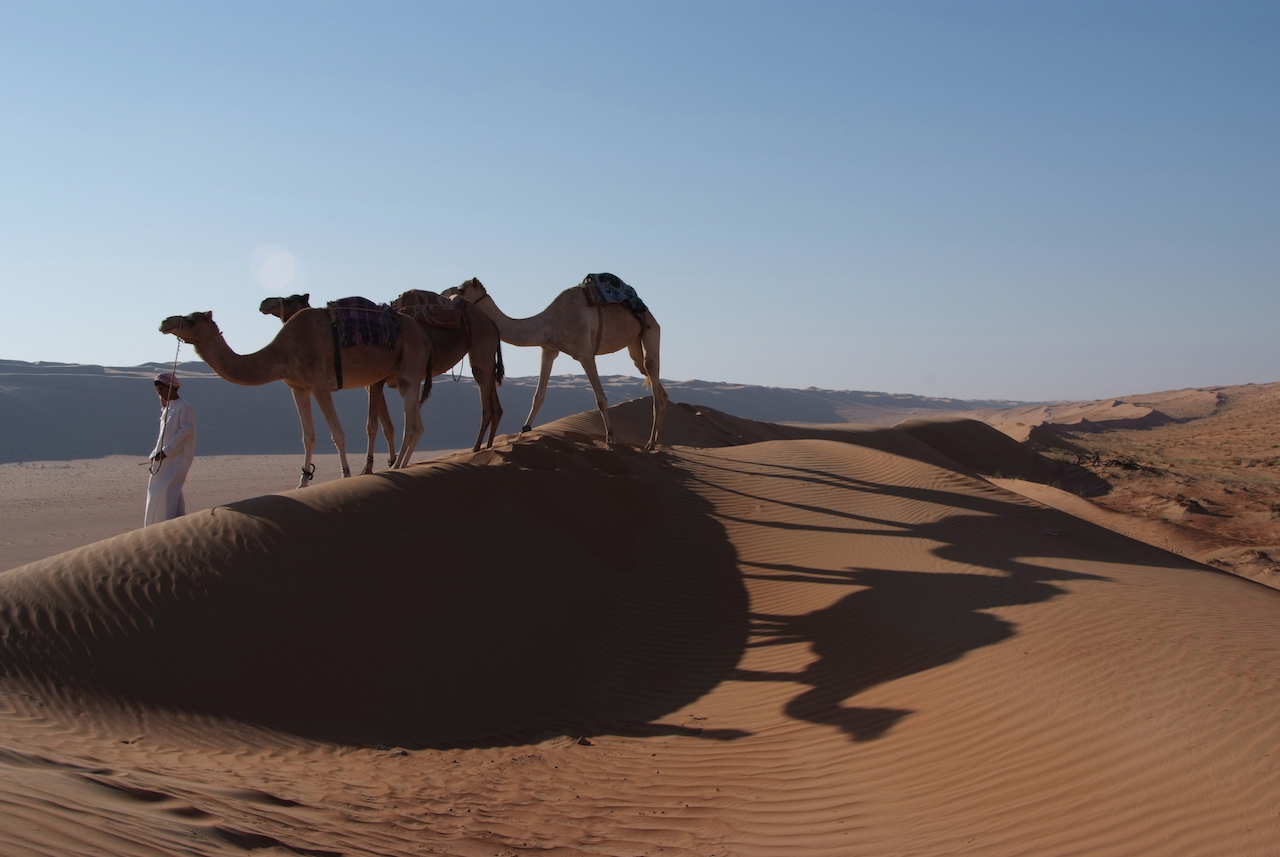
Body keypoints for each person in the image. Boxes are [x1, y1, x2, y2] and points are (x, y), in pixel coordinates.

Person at [144, 371, 196, 526]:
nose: (159, 393)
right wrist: (156, 453)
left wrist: (167, 451)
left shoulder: (184, 407)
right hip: (164, 458)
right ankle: (176, 523)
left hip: (176, 458)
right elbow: (163, 435)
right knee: (167, 491)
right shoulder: (168, 408)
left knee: (166, 490)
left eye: (162, 389)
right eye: (157, 390)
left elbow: (186, 431)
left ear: (172, 388)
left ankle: (164, 526)